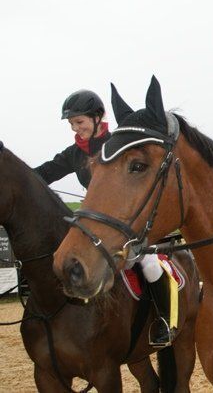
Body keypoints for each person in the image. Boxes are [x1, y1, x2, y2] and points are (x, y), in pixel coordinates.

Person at [35, 90, 174, 347]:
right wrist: (17, 174)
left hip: (126, 220)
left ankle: (165, 321)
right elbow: (45, 173)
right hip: (94, 221)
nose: (76, 129)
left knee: (150, 264)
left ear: (98, 117)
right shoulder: (73, 153)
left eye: (80, 122)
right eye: (72, 124)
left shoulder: (117, 144)